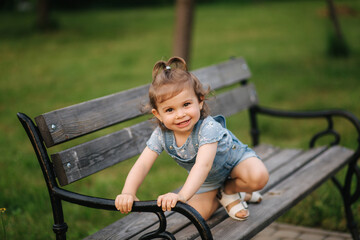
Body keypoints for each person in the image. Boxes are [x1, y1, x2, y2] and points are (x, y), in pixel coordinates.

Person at [115, 56, 269, 221]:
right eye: (169, 110)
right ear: (157, 114)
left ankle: (231, 191)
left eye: (186, 104)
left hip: (235, 162)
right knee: (197, 215)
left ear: (200, 101)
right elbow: (143, 164)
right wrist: (128, 192)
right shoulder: (161, 135)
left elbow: (203, 165)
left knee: (258, 176)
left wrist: (182, 195)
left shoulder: (207, 128)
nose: (180, 115)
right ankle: (222, 195)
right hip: (208, 179)